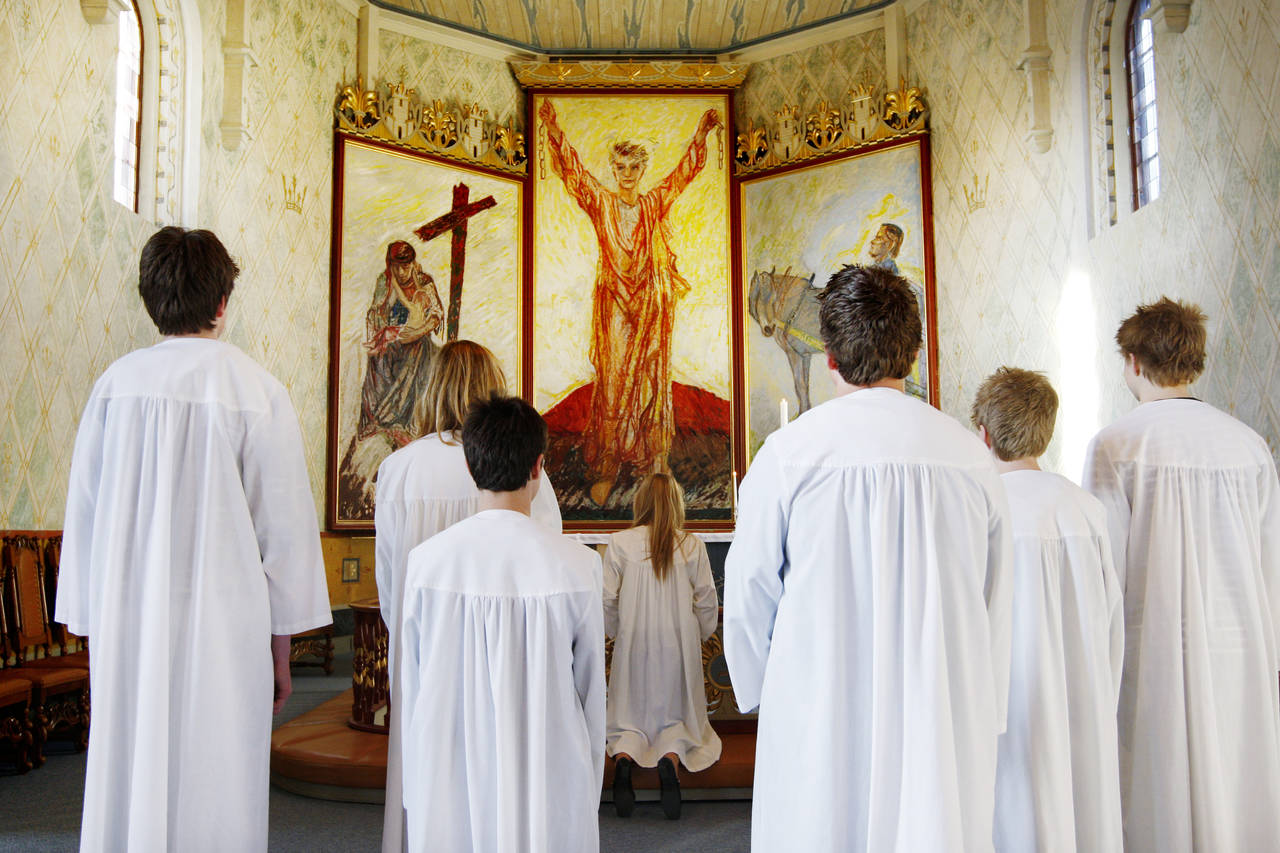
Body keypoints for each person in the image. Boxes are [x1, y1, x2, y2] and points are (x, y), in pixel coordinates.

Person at [55, 226, 331, 852]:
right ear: (223, 302)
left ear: (150, 300)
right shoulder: (258, 392)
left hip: (130, 618)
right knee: (219, 773)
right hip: (225, 623)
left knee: (131, 763)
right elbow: (281, 533)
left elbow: (87, 517)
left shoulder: (112, 388)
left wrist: (93, 623)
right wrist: (282, 652)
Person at [724, 264, 1013, 852]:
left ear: (827, 355)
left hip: (819, 704)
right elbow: (996, 596)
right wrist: (985, 699)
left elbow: (749, 589)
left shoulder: (788, 454)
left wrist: (763, 693)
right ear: (911, 354)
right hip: (939, 704)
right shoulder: (969, 457)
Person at [1083, 297, 1280, 853]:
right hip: (1241, 646)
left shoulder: (1116, 445)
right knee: (1236, 788)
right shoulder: (1249, 445)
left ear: (1133, 361)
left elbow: (1106, 572)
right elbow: (1272, 563)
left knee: (1156, 796)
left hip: (1155, 649)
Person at [374, 340, 562, 853]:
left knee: (430, 781)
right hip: (508, 660)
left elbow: (390, 586)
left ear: (432, 385)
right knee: (504, 786)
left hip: (426, 652)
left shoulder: (400, 468)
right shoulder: (524, 472)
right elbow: (546, 566)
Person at [398, 395, 604, 853]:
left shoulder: (426, 565)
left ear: (470, 468)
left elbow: (410, 686)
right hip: (547, 762)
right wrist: (585, 786)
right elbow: (591, 695)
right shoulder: (578, 565)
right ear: (538, 468)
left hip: (449, 759)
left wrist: (417, 785)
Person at [539, 98, 722, 506]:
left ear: (642, 170)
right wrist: (552, 129)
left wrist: (701, 133)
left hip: (651, 306)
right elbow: (572, 172)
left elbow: (684, 174)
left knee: (651, 378)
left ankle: (656, 461)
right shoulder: (601, 203)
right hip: (615, 306)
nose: (626, 175)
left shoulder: (653, 203)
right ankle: (608, 463)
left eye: (633, 168)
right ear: (613, 168)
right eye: (619, 167)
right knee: (615, 381)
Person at [971, 367, 1124, 852]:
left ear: (984, 433)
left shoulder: (978, 511)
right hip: (1079, 696)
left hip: (1007, 704)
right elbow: (1112, 619)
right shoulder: (1084, 509)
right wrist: (1101, 693)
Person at [603, 472, 721, 820]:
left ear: (640, 502)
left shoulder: (620, 543)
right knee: (676, 715)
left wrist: (615, 632)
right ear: (675, 503)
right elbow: (706, 600)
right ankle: (670, 760)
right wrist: (701, 632)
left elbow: (607, 598)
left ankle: (624, 759)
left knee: (630, 715)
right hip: (677, 641)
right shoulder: (690, 544)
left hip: (634, 639)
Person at [358, 240, 444, 447]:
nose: (401, 272)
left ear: (413, 264)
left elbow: (436, 315)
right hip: (390, 340)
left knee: (417, 357)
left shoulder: (423, 281)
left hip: (416, 340)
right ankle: (377, 423)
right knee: (375, 364)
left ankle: (405, 424)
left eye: (405, 266)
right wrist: (380, 334)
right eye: (396, 266)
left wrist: (416, 333)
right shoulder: (384, 282)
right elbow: (375, 312)